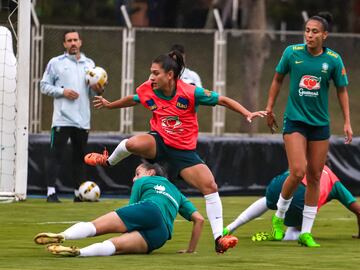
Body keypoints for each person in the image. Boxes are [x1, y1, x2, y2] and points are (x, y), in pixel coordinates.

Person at [84, 50, 267, 253]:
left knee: (210, 186)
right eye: (151, 73)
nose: (151, 77)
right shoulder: (148, 89)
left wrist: (247, 113)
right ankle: (108, 161)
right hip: (160, 142)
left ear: (169, 75)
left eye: (155, 73)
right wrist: (111, 106)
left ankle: (219, 239)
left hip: (183, 152)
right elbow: (133, 99)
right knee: (133, 143)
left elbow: (222, 100)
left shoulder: (190, 92)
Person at [265, 12, 353, 247]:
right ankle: (278, 218)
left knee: (315, 175)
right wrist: (270, 107)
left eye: (315, 32)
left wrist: (347, 122)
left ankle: (306, 232)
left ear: (325, 35)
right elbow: (277, 79)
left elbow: (342, 91)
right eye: (307, 30)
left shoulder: (333, 60)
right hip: (295, 121)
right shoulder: (292, 53)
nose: (309, 35)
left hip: (320, 125)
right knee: (297, 171)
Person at [34, 162, 204, 256]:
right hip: (161, 234)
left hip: (149, 209)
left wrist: (127, 228)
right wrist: (190, 250)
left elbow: (132, 208)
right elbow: (199, 219)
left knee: (94, 227)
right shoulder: (178, 194)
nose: (134, 178)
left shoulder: (143, 182)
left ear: (151, 173)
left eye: (137, 173)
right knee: (114, 246)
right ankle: (80, 252)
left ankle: (63, 235)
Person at [40, 30, 104, 203]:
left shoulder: (89, 64)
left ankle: (78, 192)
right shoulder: (56, 63)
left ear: (80, 42)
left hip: (82, 120)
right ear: (64, 44)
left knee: (80, 157)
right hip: (62, 118)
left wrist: (98, 89)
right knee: (56, 155)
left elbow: (91, 92)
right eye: (69, 40)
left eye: (75, 40)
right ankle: (51, 193)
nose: (73, 43)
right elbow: (43, 86)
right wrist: (63, 91)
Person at [223, 165, 360, 242]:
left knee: (268, 200)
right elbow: (358, 211)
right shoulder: (334, 180)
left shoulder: (304, 162)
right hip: (302, 196)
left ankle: (230, 228)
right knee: (300, 222)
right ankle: (284, 237)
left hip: (278, 184)